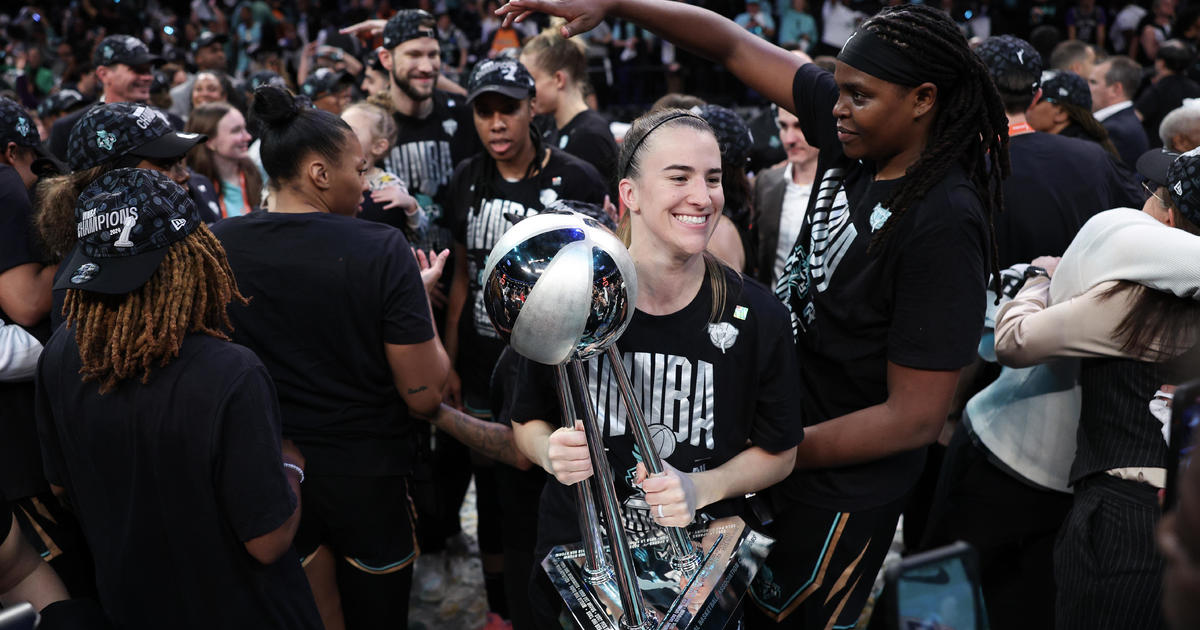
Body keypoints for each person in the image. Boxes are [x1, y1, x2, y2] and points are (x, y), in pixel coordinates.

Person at [497, 2, 1005, 627]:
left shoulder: (942, 219)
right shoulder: (860, 128)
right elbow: (732, 46)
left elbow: (915, 418)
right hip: (761, 457)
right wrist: (620, 5)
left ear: (922, 99)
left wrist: (758, 454)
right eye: (836, 92)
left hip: (836, 489)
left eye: (857, 97)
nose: (834, 109)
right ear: (628, 195)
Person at [509, 107, 804, 630]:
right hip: (581, 559)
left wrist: (699, 487)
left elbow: (780, 452)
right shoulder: (573, 295)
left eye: (712, 178)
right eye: (679, 177)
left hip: (698, 571)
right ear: (631, 195)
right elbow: (525, 420)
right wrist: (548, 452)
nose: (702, 196)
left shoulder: (758, 315)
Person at [36, 168, 321, 630]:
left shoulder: (60, 354)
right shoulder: (231, 372)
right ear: (191, 254)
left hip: (132, 606)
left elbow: (60, 487)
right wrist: (291, 465)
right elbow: (267, 541)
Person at [211, 85, 450, 630]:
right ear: (320, 173)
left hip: (268, 474)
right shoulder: (380, 248)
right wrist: (419, 301)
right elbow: (424, 393)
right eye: (360, 170)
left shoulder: (218, 244)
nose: (366, 184)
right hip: (367, 477)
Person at [994, 147, 1200, 630]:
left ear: (1169, 216)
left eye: (1154, 195)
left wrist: (1038, 280)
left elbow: (1015, 341)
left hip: (1130, 516)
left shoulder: (1133, 300)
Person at [443, 56, 607, 621]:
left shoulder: (577, 176)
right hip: (486, 358)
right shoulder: (466, 176)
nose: (496, 123)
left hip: (554, 369)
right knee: (493, 495)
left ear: (531, 107)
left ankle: (559, 605)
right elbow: (462, 274)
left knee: (549, 489)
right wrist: (449, 354)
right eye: (484, 111)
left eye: (506, 109)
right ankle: (501, 609)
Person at [977, 35, 1141, 269]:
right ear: (1036, 98)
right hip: (1085, 298)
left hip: (995, 303)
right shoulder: (1094, 157)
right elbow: (1139, 221)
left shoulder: (958, 167)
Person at [48, 35, 175, 161]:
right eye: (137, 69)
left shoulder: (169, 121)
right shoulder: (67, 128)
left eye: (149, 70)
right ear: (104, 74)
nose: (148, 77)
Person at [520, 28, 619, 187]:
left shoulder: (591, 136)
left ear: (559, 79)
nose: (526, 91)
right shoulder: (549, 126)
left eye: (531, 81)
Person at [341, 96, 429, 243]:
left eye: (350, 132)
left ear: (378, 146)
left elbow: (419, 235)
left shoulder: (390, 184)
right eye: (338, 128)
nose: (339, 136)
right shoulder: (333, 177)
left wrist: (410, 205)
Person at [753, 104, 818, 287]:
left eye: (799, 126)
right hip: (773, 306)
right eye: (783, 126)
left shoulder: (846, 186)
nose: (789, 139)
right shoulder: (766, 182)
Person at [186, 101, 262, 218]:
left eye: (244, 128)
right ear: (209, 141)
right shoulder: (191, 188)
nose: (248, 137)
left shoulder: (257, 172)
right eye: (236, 131)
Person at [1026, 70, 1122, 159]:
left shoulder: (1068, 156)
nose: (1024, 106)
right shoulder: (1086, 147)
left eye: (1034, 100)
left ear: (1061, 113)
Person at [1136, 39, 1200, 148]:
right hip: (1187, 146)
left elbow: (1137, 117)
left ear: (1161, 63)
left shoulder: (1157, 89)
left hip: (1158, 146)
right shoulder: (1195, 88)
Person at [1089, 55, 1151, 167]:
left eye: (1093, 82)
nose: (1086, 87)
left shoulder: (1115, 130)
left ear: (1115, 89)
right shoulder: (1122, 122)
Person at [168, 30, 229, 120]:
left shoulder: (236, 86)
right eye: (214, 50)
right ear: (198, 58)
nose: (221, 54)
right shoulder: (178, 94)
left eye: (221, 50)